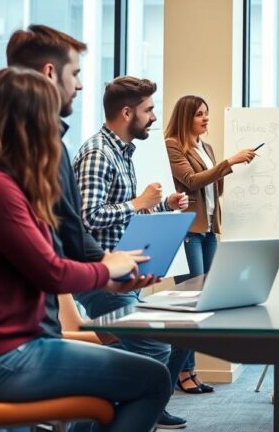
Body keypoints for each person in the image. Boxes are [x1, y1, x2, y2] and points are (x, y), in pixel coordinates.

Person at [0, 67, 171, 432]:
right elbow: (51, 272)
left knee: (124, 383)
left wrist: (108, 280)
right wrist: (108, 269)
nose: (55, 137)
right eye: (50, 122)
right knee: (153, 380)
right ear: (24, 125)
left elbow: (44, 266)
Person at [7, 26, 187, 430]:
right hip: (33, 331)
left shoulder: (84, 150)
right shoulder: (84, 153)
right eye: (75, 73)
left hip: (89, 283)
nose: (81, 85)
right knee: (153, 363)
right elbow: (80, 225)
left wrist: (154, 212)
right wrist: (106, 270)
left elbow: (72, 231)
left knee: (144, 366)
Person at [73, 77, 198, 413]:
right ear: (127, 113)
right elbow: (86, 217)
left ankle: (116, 416)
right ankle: (138, 413)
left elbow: (125, 211)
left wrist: (163, 204)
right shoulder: (98, 154)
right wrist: (138, 202)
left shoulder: (122, 153)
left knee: (157, 344)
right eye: (149, 110)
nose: (154, 117)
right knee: (155, 348)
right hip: (101, 277)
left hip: (123, 274)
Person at [164, 94, 256, 393]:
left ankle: (189, 370)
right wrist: (229, 162)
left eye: (206, 113)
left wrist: (224, 167)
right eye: (199, 114)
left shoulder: (206, 147)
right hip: (189, 230)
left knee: (205, 302)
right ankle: (181, 372)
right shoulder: (172, 145)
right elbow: (191, 181)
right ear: (185, 117)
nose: (205, 119)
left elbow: (215, 188)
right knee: (190, 304)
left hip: (209, 230)